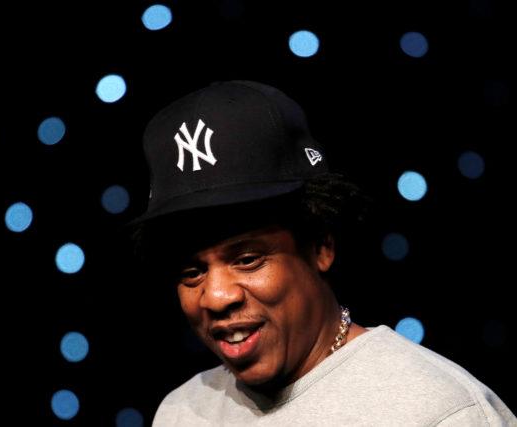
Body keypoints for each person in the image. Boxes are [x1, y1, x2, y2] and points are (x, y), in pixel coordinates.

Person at [129, 80, 516, 426]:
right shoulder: (180, 412)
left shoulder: (441, 412)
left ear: (320, 246)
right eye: (192, 271)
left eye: (247, 260)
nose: (216, 296)